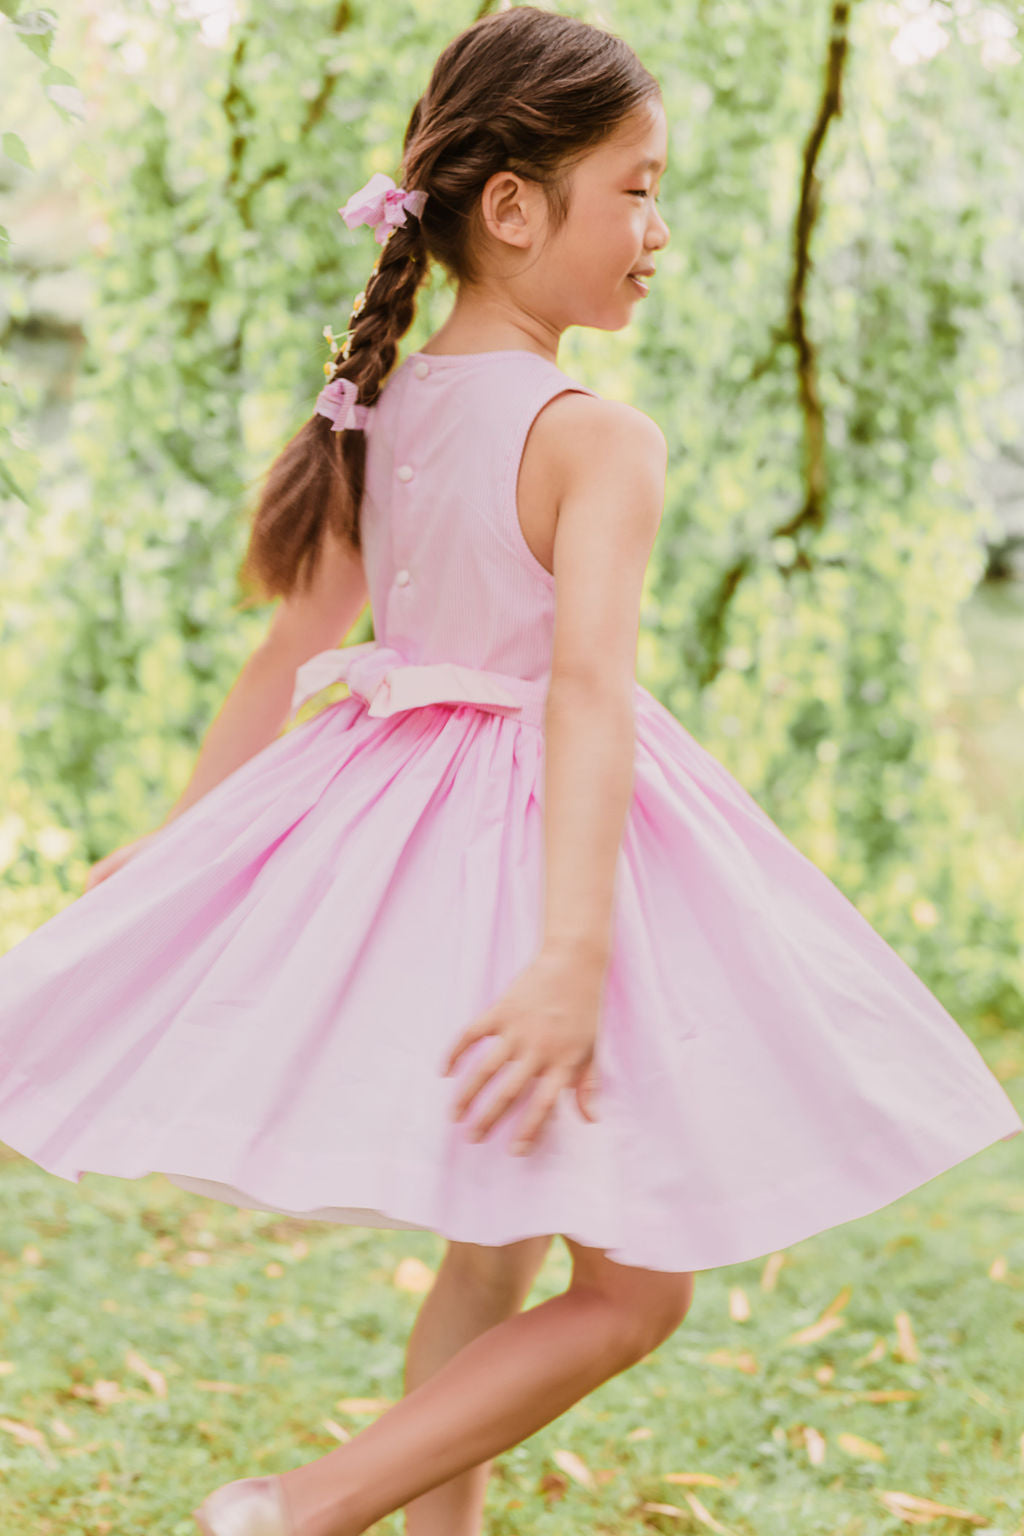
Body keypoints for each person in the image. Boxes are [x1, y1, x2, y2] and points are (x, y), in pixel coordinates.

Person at [0, 8, 1020, 1536]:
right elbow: (587, 695)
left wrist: (186, 834)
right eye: (636, 187)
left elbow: (287, 663)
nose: (659, 228)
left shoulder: (384, 401)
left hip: (414, 836)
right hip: (537, 866)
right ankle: (297, 1508)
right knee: (635, 1291)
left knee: (494, 1252)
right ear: (516, 206)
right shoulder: (597, 437)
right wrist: (572, 954)